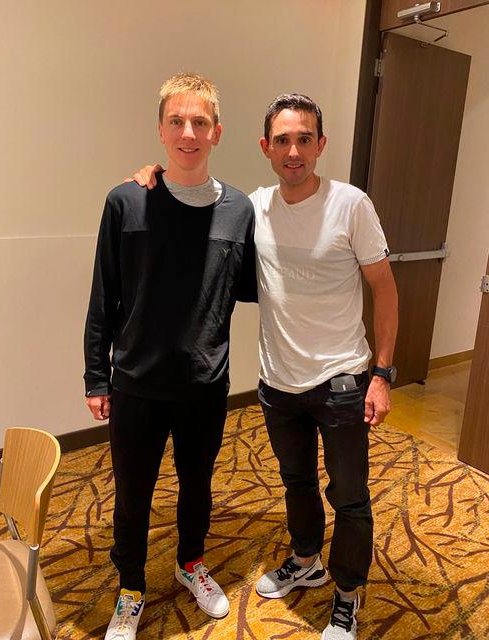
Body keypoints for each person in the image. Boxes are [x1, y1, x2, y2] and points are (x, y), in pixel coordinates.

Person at [131, 93, 398, 640]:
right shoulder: (253, 206)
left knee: (349, 495)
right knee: (296, 480)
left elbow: (386, 290)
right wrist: (153, 178)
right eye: (282, 140)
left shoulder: (351, 205)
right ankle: (306, 560)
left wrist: (383, 374)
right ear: (265, 147)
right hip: (277, 383)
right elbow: (198, 204)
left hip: (342, 380)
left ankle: (347, 595)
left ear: (320, 145)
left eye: (304, 139)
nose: (293, 151)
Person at [84, 73, 257, 640]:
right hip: (136, 382)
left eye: (199, 122)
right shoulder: (126, 201)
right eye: (177, 121)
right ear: (160, 130)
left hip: (204, 384)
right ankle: (131, 587)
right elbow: (104, 294)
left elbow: (252, 285)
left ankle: (190, 563)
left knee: (197, 486)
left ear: (217, 132)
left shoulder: (239, 210)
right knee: (132, 496)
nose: (188, 133)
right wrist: (96, 376)